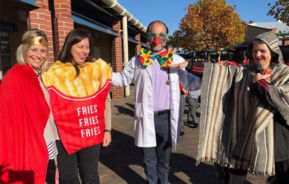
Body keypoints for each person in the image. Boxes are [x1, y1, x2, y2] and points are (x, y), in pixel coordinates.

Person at [196, 31, 289, 184]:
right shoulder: (246, 71)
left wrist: (261, 84)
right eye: (254, 50)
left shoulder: (287, 73)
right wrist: (188, 65)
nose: (257, 54)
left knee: (286, 178)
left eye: (262, 51)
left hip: (279, 138)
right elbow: (217, 75)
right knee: (234, 173)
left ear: (273, 52)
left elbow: (286, 101)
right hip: (245, 133)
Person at [112, 20, 201, 184]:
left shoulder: (175, 59)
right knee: (148, 159)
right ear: (147, 38)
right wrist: (102, 73)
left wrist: (204, 69)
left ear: (166, 37)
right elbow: (123, 79)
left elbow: (192, 82)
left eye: (161, 35)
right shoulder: (138, 60)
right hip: (146, 117)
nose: (157, 39)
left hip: (166, 118)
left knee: (165, 159)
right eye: (153, 35)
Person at [42, 29, 112, 184]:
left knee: (91, 176)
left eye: (87, 47)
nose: (84, 51)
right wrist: (50, 138)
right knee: (68, 177)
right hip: (64, 134)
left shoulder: (95, 69)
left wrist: (107, 129)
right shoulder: (55, 72)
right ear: (70, 46)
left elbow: (105, 100)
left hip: (90, 130)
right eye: (80, 47)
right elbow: (49, 105)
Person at [0, 29, 59, 184]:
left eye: (43, 51)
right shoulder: (16, 77)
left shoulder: (36, 74)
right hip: (27, 144)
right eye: (33, 49)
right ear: (24, 50)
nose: (38, 55)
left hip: (45, 140)